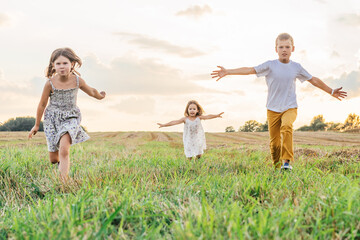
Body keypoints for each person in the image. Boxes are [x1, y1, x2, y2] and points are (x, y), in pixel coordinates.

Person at [211, 33, 347, 170]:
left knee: (287, 126)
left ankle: (286, 162)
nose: (284, 50)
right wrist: (228, 71)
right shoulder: (270, 65)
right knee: (274, 143)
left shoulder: (296, 67)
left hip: (290, 107)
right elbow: (250, 70)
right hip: (272, 109)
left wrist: (331, 91)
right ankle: (277, 167)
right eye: (281, 47)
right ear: (276, 49)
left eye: (287, 47)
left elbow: (313, 80)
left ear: (292, 49)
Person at [28, 48, 106, 180]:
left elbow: (91, 91)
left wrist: (100, 96)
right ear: (53, 65)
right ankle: (59, 165)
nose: (62, 67)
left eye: (65, 63)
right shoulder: (50, 84)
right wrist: (36, 125)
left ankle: (63, 182)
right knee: (53, 159)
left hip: (71, 118)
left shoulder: (77, 81)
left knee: (64, 149)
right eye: (58, 64)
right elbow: (42, 104)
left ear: (72, 64)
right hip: (52, 119)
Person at [157, 100, 224, 160]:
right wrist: (164, 125)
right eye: (190, 109)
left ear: (197, 110)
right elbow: (174, 122)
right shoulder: (185, 119)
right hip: (188, 139)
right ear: (187, 110)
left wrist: (216, 115)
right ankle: (189, 164)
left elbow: (208, 116)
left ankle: (198, 162)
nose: (192, 110)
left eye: (194, 109)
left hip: (197, 138)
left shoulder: (199, 117)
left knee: (199, 153)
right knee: (189, 154)